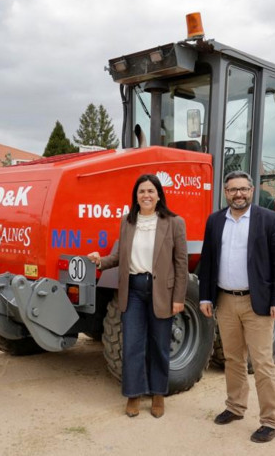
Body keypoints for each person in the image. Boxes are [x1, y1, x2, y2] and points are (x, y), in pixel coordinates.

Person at [198, 170, 275, 443]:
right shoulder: (215, 221)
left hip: (257, 303)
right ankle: (235, 407)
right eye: (232, 189)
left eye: (243, 189)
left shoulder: (270, 221)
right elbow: (207, 260)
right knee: (233, 359)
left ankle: (270, 421)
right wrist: (205, 297)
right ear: (225, 193)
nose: (238, 194)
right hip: (225, 301)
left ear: (251, 190)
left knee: (262, 363)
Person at [87, 174, 187, 418]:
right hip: (132, 290)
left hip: (161, 290)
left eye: (150, 191)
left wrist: (178, 298)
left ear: (159, 195)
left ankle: (158, 393)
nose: (146, 195)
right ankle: (133, 394)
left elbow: (181, 263)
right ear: (136, 196)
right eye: (141, 191)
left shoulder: (174, 222)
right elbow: (120, 256)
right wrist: (100, 260)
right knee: (132, 343)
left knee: (159, 345)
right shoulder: (127, 222)